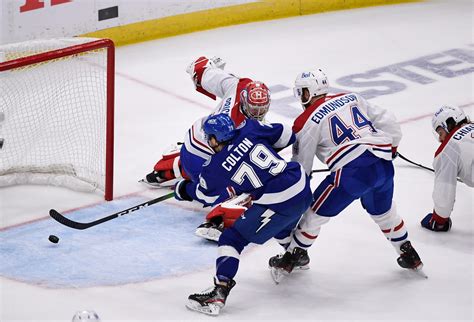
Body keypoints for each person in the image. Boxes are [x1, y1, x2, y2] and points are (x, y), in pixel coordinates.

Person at [268, 69, 423, 281]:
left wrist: (296, 187)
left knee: (315, 214)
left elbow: (302, 167)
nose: (301, 98)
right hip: (383, 165)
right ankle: (408, 252)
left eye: (303, 92)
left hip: (352, 173)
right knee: (384, 212)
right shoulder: (350, 97)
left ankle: (291, 258)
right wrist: (393, 146)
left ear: (311, 92)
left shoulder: (306, 120)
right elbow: (387, 120)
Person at [174, 113, 312, 315]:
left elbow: (206, 195)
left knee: (232, 238)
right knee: (278, 223)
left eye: (209, 137)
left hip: (279, 198)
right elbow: (287, 135)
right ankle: (295, 256)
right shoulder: (250, 128)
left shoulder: (213, 169)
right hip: (301, 186)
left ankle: (219, 291)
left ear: (214, 139)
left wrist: (183, 190)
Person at [141, 56, 271, 240]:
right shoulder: (242, 131)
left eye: (260, 109)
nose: (257, 114)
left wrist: (206, 69)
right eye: (254, 109)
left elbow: (201, 69)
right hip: (203, 159)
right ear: (245, 101)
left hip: (193, 138)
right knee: (245, 184)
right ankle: (216, 219)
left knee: (209, 152)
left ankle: (169, 169)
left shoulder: (240, 86)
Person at [421, 105, 473, 232]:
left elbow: (444, 193)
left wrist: (439, 220)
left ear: (449, 124)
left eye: (440, 132)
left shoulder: (448, 149)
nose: (440, 139)